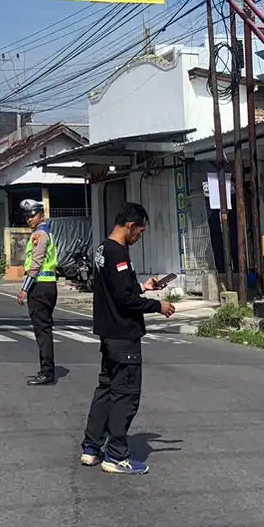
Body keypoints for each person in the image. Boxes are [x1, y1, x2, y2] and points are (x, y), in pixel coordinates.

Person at [81, 201, 174, 474]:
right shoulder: (119, 253)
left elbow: (117, 287)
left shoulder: (102, 249)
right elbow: (126, 300)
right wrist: (158, 306)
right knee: (126, 395)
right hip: (123, 334)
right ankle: (117, 455)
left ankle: (91, 447)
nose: (139, 237)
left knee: (106, 391)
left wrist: (141, 286)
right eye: (140, 232)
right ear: (130, 226)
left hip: (108, 332)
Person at [15, 198, 59, 387]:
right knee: (45, 329)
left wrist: (24, 288)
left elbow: (36, 263)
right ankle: (47, 369)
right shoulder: (46, 232)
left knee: (42, 331)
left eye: (32, 215)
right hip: (48, 286)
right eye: (26, 216)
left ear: (41, 215)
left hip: (40, 287)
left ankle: (47, 372)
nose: (29, 219)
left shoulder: (39, 235)